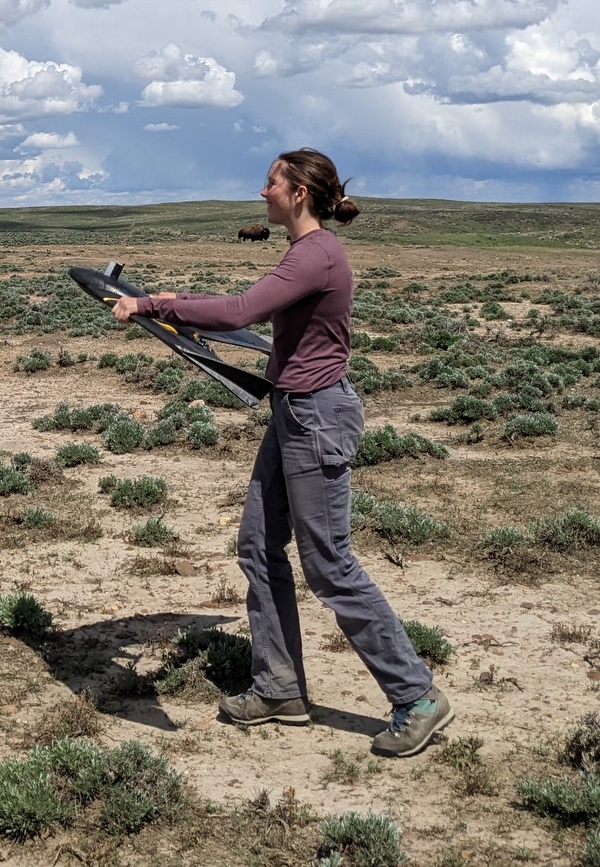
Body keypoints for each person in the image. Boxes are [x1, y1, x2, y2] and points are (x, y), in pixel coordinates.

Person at [111, 148, 452, 757]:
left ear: (297, 193)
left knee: (329, 564)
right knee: (258, 544)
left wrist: (151, 302)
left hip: (315, 417)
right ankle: (279, 687)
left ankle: (416, 694)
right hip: (293, 411)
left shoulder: (316, 254)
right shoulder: (305, 253)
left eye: (271, 182)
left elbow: (241, 311)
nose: (261, 191)